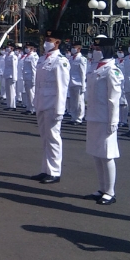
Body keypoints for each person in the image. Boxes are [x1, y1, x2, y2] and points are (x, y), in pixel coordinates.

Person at [84, 36, 122, 205]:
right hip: (93, 115)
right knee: (96, 154)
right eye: (94, 49)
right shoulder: (95, 67)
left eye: (98, 49)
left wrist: (113, 121)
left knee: (107, 155)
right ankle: (101, 188)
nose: (95, 51)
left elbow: (114, 98)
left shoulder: (112, 70)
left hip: (105, 118)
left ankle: (110, 192)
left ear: (107, 50)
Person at [30, 29, 70, 184]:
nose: (47, 42)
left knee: (53, 138)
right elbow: (38, 84)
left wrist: (60, 110)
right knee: (45, 138)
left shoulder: (60, 61)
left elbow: (62, 87)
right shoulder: (42, 59)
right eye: (46, 39)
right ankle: (45, 170)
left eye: (50, 39)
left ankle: (54, 172)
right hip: (41, 103)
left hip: (52, 105)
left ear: (57, 42)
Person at [68, 41, 87, 126]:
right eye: (72, 47)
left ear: (79, 49)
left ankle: (79, 118)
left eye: (74, 47)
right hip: (71, 82)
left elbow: (83, 73)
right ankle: (73, 117)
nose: (73, 49)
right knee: (73, 101)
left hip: (79, 83)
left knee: (79, 102)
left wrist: (83, 85)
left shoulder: (82, 59)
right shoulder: (71, 59)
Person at [22, 42, 39, 115]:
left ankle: (33, 108)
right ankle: (29, 108)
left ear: (32, 48)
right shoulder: (27, 56)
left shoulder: (34, 56)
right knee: (28, 94)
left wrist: (34, 80)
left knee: (32, 94)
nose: (26, 48)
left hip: (31, 78)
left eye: (28, 47)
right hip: (26, 77)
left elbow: (34, 69)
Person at [3, 41, 18, 111]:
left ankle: (12, 106)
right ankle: (8, 105)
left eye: (8, 47)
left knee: (12, 91)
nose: (7, 48)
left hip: (11, 75)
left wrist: (14, 77)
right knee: (8, 91)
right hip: (7, 75)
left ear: (12, 48)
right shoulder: (7, 56)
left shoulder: (13, 56)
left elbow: (14, 67)